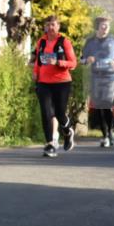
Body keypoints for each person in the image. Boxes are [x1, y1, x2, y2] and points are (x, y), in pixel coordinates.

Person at [32, 15, 78, 158]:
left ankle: (68, 131)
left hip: (62, 82)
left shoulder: (64, 42)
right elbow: (38, 61)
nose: (50, 27)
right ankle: (50, 144)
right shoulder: (42, 41)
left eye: (53, 25)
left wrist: (58, 62)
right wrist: (35, 73)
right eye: (48, 25)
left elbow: (73, 63)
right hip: (44, 82)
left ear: (58, 27)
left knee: (59, 113)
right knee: (46, 113)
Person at [80, 17, 114, 148]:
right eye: (103, 25)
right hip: (95, 76)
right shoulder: (90, 42)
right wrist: (87, 60)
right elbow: (82, 59)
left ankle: (110, 133)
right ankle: (106, 135)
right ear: (97, 27)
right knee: (99, 107)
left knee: (106, 105)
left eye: (107, 25)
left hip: (110, 77)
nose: (105, 28)